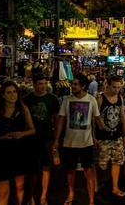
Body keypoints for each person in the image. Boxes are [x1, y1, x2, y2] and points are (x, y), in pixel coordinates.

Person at [52, 73, 105, 205]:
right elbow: (61, 121)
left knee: (89, 171)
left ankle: (91, 199)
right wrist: (56, 140)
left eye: (76, 84)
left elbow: (96, 120)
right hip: (69, 143)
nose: (73, 86)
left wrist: (103, 129)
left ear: (83, 85)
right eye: (72, 84)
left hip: (86, 143)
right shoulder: (67, 100)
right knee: (70, 171)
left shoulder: (91, 100)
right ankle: (71, 193)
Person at [0, 80, 36, 205]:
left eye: (14, 92)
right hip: (1, 154)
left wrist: (21, 134)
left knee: (20, 186)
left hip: (19, 152)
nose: (12, 95)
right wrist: (2, 138)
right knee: (3, 192)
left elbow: (32, 130)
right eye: (8, 92)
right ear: (3, 95)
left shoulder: (23, 110)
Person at [23, 73, 60, 205]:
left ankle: (43, 195)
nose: (43, 86)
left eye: (45, 83)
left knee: (46, 167)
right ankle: (31, 195)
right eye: (40, 84)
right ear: (34, 85)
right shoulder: (27, 99)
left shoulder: (53, 99)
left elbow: (56, 120)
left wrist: (56, 139)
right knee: (32, 170)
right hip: (30, 139)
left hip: (47, 137)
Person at [95, 76, 125, 198]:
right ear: (108, 85)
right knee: (101, 164)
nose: (116, 90)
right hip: (102, 137)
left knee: (117, 161)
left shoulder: (119, 98)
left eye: (119, 87)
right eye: (114, 87)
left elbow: (122, 117)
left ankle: (115, 187)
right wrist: (94, 137)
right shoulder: (100, 98)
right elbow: (94, 118)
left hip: (117, 136)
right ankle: (96, 184)